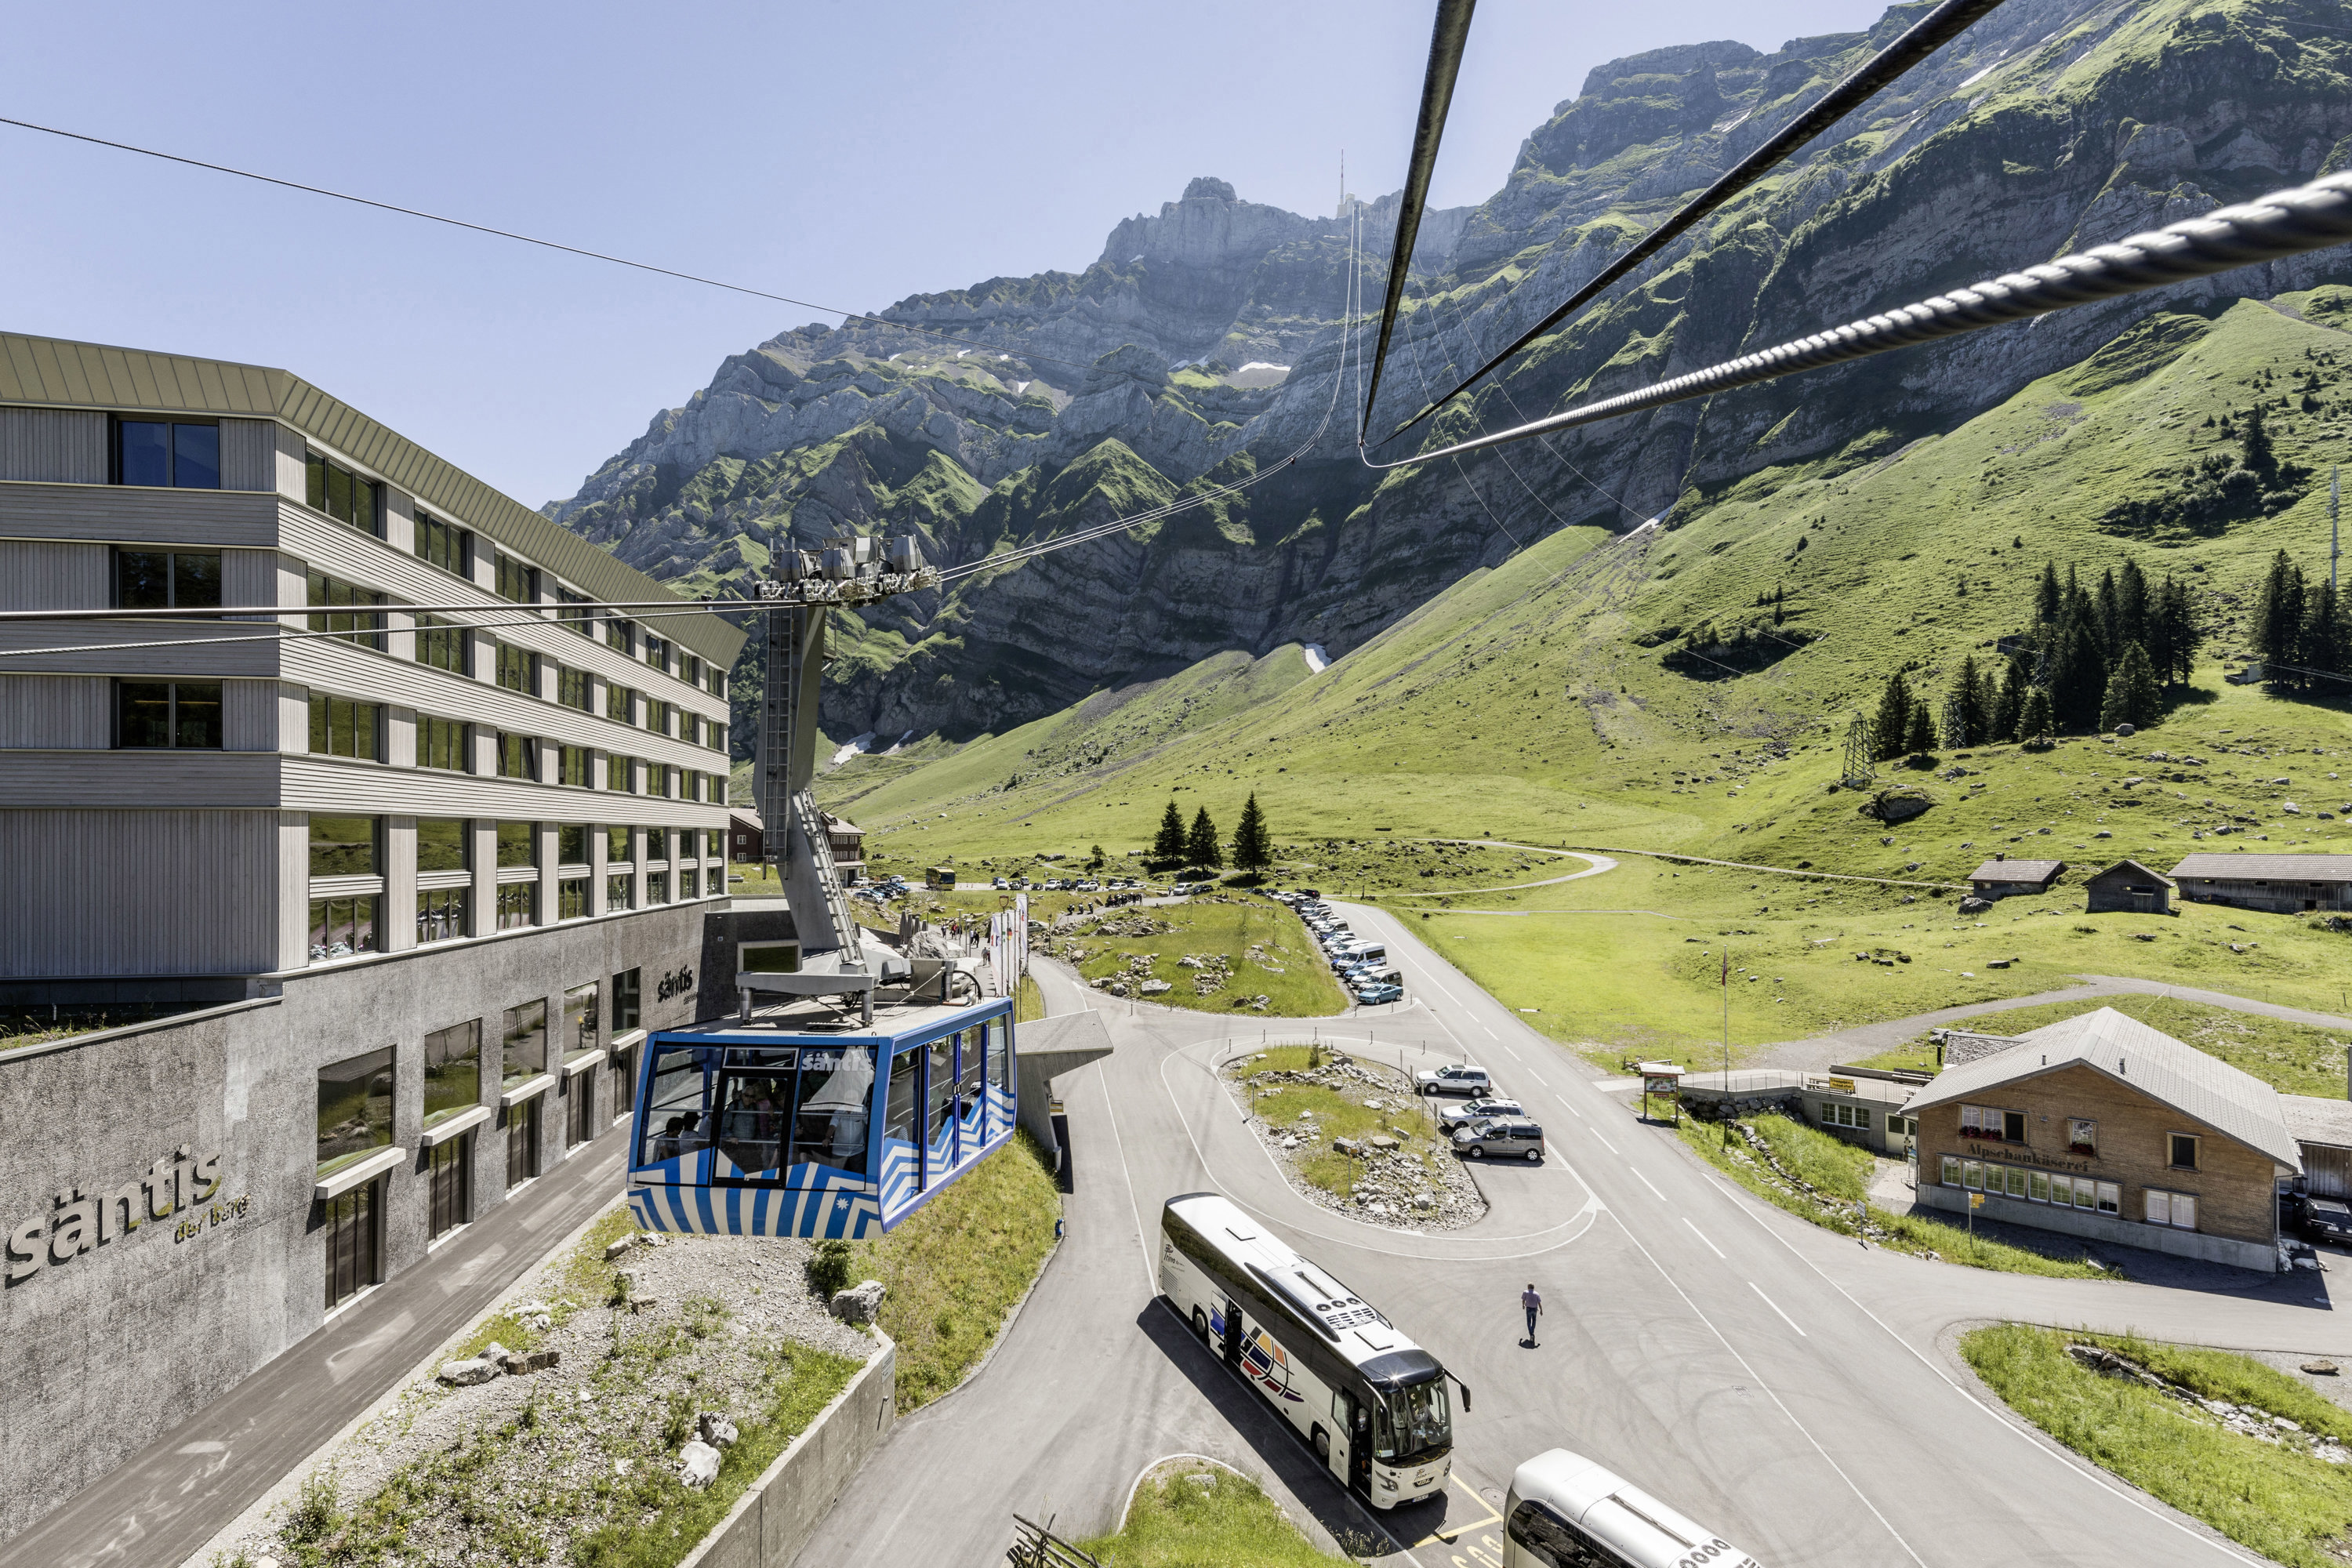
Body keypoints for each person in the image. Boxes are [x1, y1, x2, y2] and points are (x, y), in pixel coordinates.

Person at [1522, 1283, 1543, 1347]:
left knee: (1528, 1322)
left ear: (1529, 1287)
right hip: (1535, 1309)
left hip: (1528, 1309)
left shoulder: (1525, 1292)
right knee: (1534, 1321)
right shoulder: (1537, 1294)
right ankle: (1532, 1333)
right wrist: (1541, 1310)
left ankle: (1531, 1334)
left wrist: (1523, 1305)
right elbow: (1539, 1303)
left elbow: (1523, 1300)